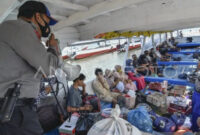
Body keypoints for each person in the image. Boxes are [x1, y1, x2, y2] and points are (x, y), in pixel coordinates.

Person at [0, 1, 61, 135]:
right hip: (15, 112)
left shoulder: (9, 29)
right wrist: (53, 48)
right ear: (37, 17)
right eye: (47, 21)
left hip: (11, 110)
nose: (47, 27)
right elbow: (48, 68)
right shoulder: (20, 28)